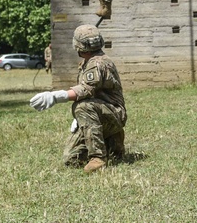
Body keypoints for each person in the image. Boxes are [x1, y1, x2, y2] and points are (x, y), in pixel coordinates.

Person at [29, 25, 126, 173]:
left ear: (79, 45)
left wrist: (56, 96)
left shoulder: (98, 63)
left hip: (113, 113)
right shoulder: (89, 62)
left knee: (82, 107)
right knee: (71, 158)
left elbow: (86, 89)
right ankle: (112, 144)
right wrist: (81, 119)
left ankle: (98, 158)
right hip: (101, 112)